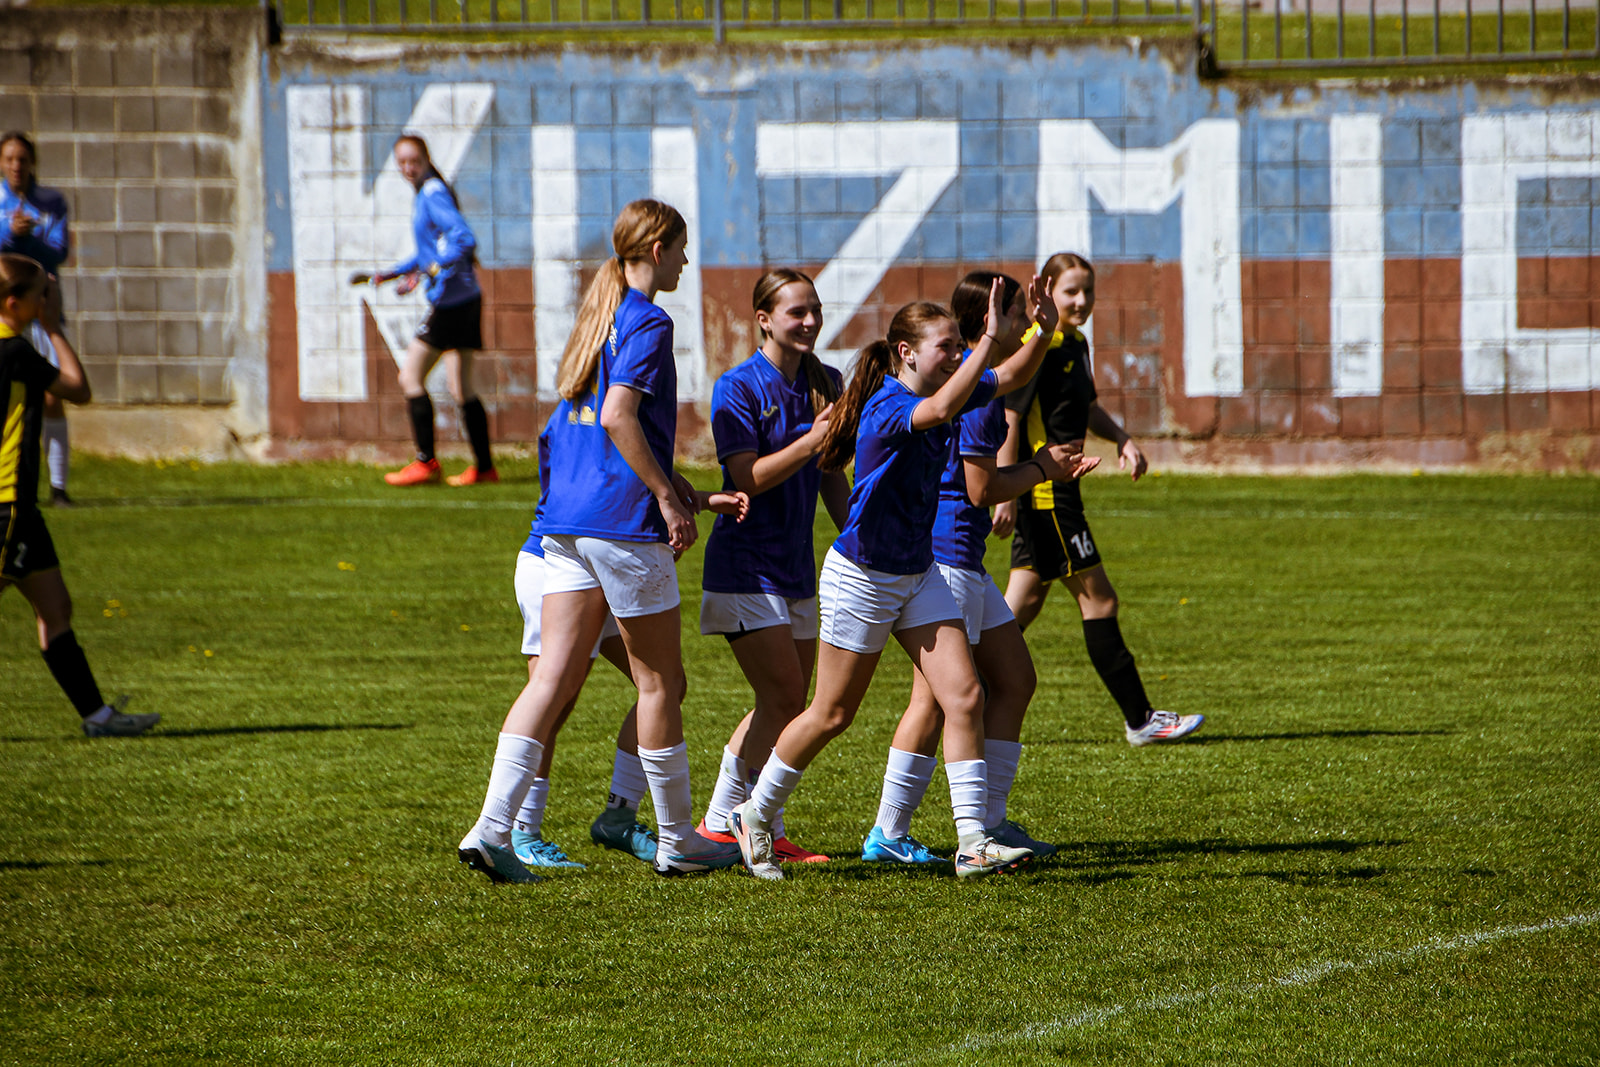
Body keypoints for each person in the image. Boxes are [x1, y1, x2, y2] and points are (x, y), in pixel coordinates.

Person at [729, 280, 1081, 881]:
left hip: (919, 574)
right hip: (862, 578)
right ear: (906, 353)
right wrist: (988, 338)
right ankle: (753, 813)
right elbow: (943, 409)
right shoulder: (888, 405)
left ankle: (973, 843)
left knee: (965, 696)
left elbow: (1010, 375)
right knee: (832, 714)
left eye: (958, 347)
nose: (956, 356)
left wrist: (1042, 331)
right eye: (946, 347)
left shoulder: (948, 389)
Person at [456, 199, 747, 883]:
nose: (686, 260)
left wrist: (675, 488)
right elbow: (619, 417)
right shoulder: (647, 319)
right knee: (659, 681)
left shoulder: (598, 320)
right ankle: (677, 839)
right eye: (680, 247)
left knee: (552, 679)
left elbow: (565, 435)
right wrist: (666, 498)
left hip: (562, 525)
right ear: (655, 248)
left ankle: (491, 829)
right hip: (621, 525)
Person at [862, 272, 1098, 868]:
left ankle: (990, 821)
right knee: (936, 701)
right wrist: (1041, 469)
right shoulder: (967, 386)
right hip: (947, 558)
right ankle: (893, 829)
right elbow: (978, 489)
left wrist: (1044, 328)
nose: (1024, 323)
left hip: (965, 559)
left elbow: (1015, 372)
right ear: (989, 320)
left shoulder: (978, 373)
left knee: (1015, 679)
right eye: (1020, 314)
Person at [993, 252, 1203, 746]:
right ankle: (1141, 719)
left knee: (1022, 602)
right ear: (1047, 291)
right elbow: (1010, 417)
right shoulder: (1039, 343)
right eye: (1071, 291)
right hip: (1046, 494)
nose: (1082, 300)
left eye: (1088, 290)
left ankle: (955, 687)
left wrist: (1123, 439)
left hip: (1057, 490)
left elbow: (1085, 407)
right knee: (1100, 599)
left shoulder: (1075, 342)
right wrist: (1003, 491)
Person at [694, 269, 850, 865]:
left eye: (815, 309)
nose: (810, 321)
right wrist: (811, 441)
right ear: (764, 319)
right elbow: (746, 478)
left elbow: (831, 475)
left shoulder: (827, 382)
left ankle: (756, 823)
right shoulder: (736, 387)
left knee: (785, 701)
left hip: (795, 567)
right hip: (744, 566)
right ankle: (724, 822)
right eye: (796, 312)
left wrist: (857, 535)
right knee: (785, 697)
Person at [0, 255, 157, 737]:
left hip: (23, 510)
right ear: (14, 303)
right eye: (40, 295)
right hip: (5, 505)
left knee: (56, 608)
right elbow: (77, 388)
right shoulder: (14, 350)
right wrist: (54, 329)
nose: (46, 301)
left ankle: (98, 717)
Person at [349, 135, 496, 488]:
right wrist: (389, 274)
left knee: (410, 377)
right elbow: (428, 252)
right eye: (401, 162)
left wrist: (432, 269)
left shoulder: (431, 193)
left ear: (427, 159)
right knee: (462, 387)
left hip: (451, 304)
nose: (408, 168)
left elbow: (464, 238)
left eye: (413, 161)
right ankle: (485, 469)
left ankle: (426, 462)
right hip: (466, 298)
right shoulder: (429, 193)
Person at [1, 133, 73, 507]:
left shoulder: (51, 202)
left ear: (32, 163)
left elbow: (59, 250)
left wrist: (27, 239)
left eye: (23, 159)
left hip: (39, 308)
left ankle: (58, 488)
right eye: (10, 159)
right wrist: (10, 234)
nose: (17, 166)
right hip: (5, 311)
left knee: (51, 395)